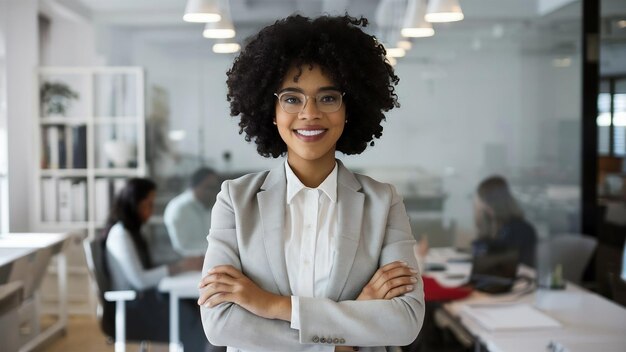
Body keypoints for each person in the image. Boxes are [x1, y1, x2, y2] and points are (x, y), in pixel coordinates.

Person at [196, 14, 425, 351]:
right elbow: (221, 324)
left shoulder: (383, 202)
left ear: (350, 108)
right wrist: (341, 340)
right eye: (291, 98)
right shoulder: (235, 200)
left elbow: (404, 322)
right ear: (271, 110)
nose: (310, 113)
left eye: (328, 97)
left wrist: (271, 305)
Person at [103, 178, 220, 351]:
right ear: (133, 203)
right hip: (134, 310)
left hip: (145, 302)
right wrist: (180, 267)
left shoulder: (131, 232)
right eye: (148, 204)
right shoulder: (121, 235)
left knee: (196, 310)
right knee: (193, 318)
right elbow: (140, 280)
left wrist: (181, 264)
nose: (151, 210)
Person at [473, 175, 538, 267]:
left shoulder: (519, 229)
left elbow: (504, 263)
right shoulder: (494, 226)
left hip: (516, 277)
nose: (483, 206)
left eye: (485, 201)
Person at [164, 167, 220, 257]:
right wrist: (218, 251)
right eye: (208, 188)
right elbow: (182, 248)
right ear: (194, 186)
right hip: (187, 264)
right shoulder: (179, 208)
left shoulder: (207, 205)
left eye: (214, 188)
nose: (212, 193)